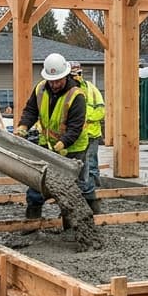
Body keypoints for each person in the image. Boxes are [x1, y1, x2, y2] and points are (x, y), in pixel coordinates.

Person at [14, 53, 89, 220]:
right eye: (51, 81)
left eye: (58, 81)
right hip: (48, 144)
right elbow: (31, 111)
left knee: (70, 188)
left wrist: (61, 145)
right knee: (37, 183)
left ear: (65, 76)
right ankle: (33, 220)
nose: (54, 85)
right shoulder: (40, 89)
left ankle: (72, 223)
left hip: (73, 148)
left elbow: (75, 127)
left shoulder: (76, 96)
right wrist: (23, 127)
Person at [69, 61, 104, 213]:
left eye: (78, 74)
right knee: (79, 167)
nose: (76, 77)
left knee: (91, 166)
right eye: (73, 75)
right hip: (75, 136)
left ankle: (93, 195)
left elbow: (101, 110)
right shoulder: (69, 91)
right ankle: (83, 196)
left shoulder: (91, 89)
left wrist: (84, 118)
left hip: (91, 134)